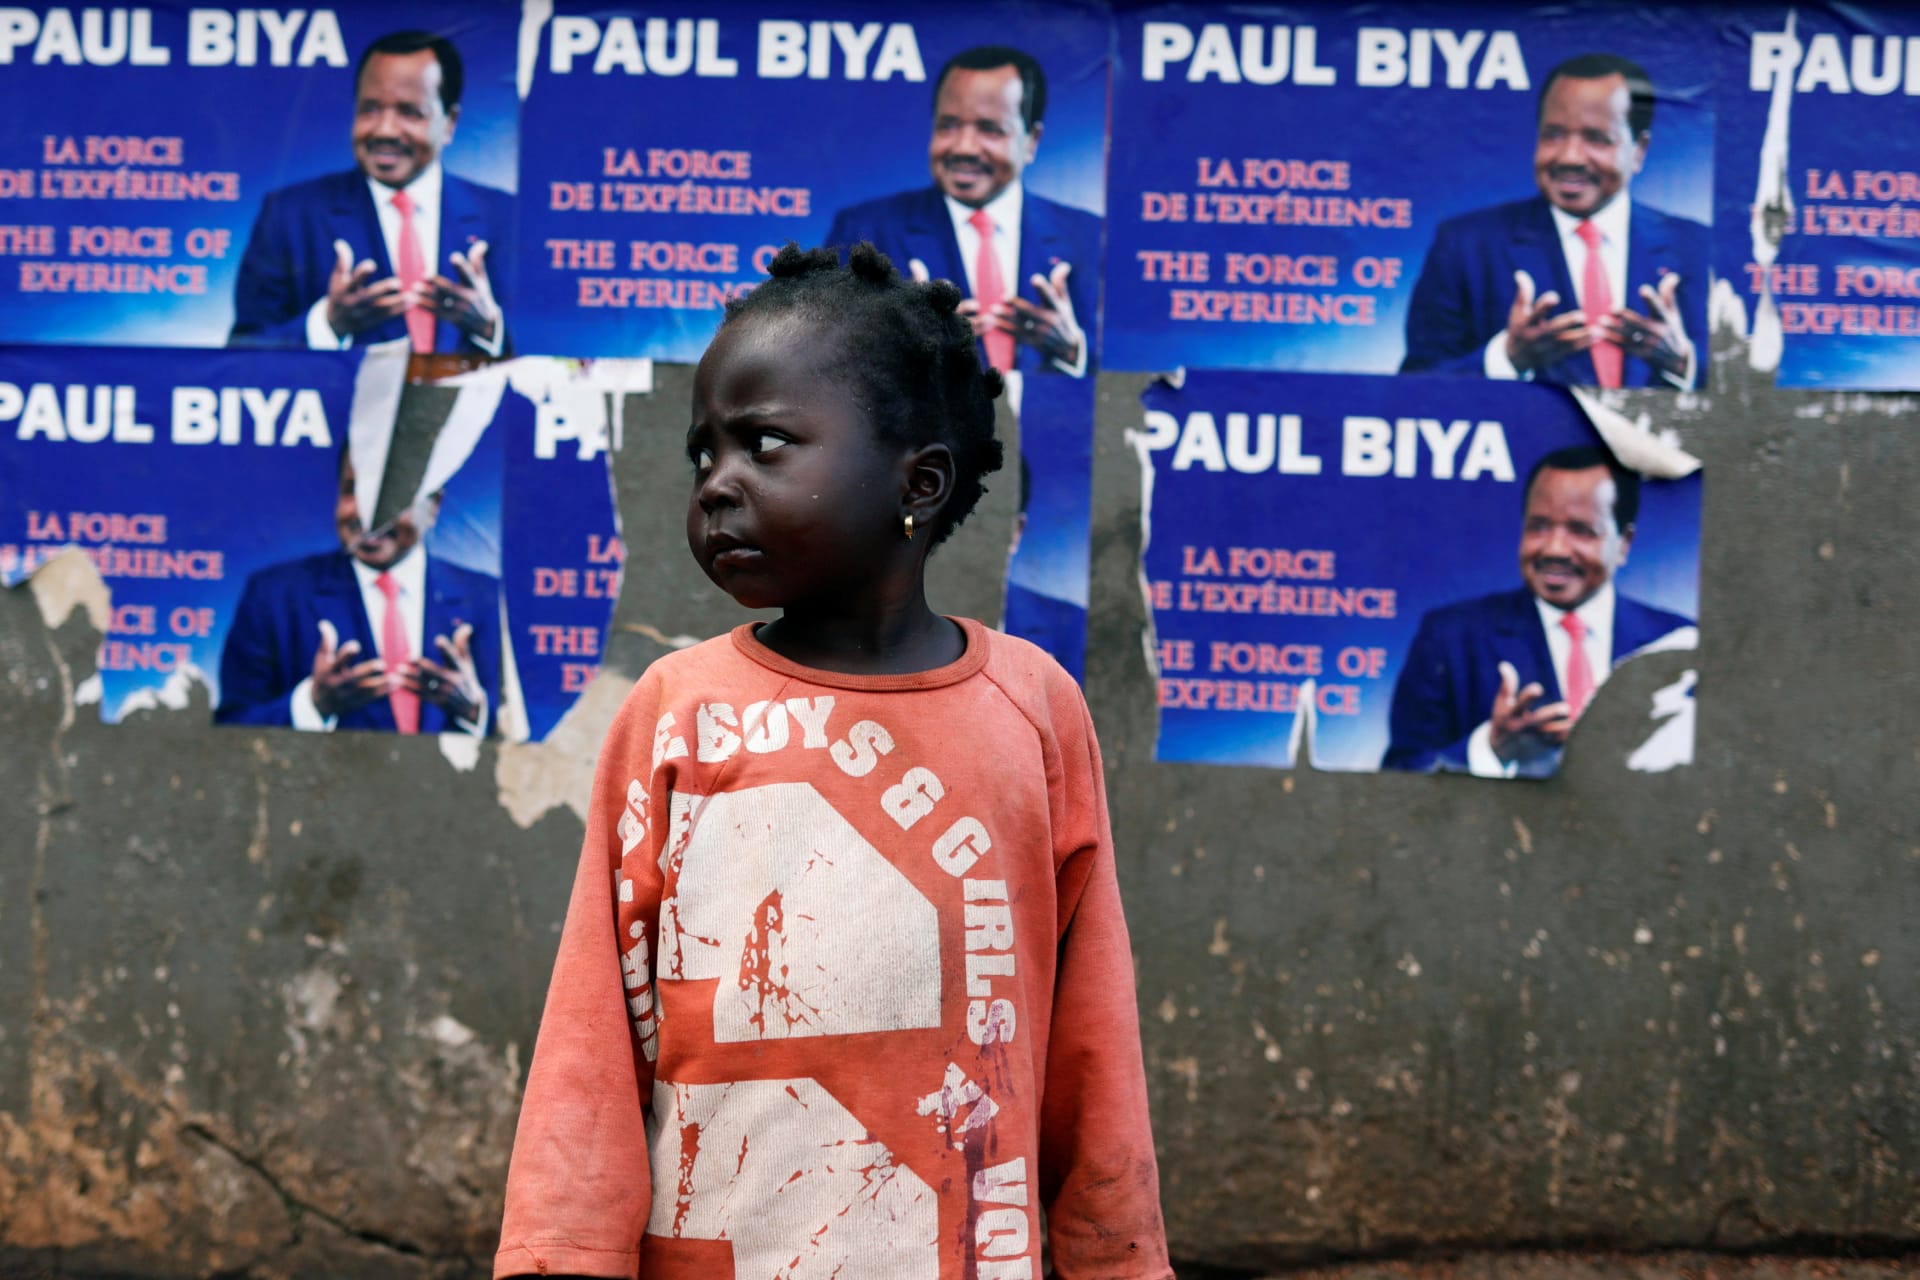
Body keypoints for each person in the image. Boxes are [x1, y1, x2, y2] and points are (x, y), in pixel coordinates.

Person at [494, 243, 1171, 1280]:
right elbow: (592, 1046)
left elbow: (1091, 1040)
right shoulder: (676, 714)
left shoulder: (1032, 711)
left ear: (920, 479)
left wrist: (1114, 1257)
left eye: (765, 444)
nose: (718, 484)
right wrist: (563, 1256)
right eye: (702, 454)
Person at [1399, 53, 1710, 389]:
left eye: (1596, 138)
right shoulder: (1465, 247)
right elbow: (1416, 390)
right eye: (1554, 134)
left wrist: (1682, 363)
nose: (1569, 157)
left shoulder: (1701, 249)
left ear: (1639, 151)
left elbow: (1755, 402)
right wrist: (1507, 358)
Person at [1382, 445, 1695, 777]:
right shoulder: (1450, 638)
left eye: (1581, 530)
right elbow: (1400, 778)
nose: (1554, 548)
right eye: (1539, 526)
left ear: (1624, 544)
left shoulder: (1680, 643)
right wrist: (1490, 749)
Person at [228, 29, 512, 355]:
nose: (384, 130)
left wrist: (490, 328)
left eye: (409, 112)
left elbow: (561, 360)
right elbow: (242, 357)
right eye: (370, 109)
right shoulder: (290, 215)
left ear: (449, 123)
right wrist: (328, 324)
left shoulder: (506, 218)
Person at [826, 45, 1101, 378]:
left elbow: (1135, 381)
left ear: (1032, 141)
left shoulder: (1091, 239)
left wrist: (1073, 351)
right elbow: (825, 369)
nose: (964, 147)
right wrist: (897, 348)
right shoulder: (864, 233)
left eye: (990, 128)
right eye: (949, 125)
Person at [214, 449, 500, 735]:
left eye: (390, 495)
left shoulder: (487, 600)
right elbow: (231, 732)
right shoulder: (273, 597)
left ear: (433, 506)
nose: (367, 513)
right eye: (354, 490)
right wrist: (313, 706)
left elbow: (526, 735)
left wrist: (472, 712)